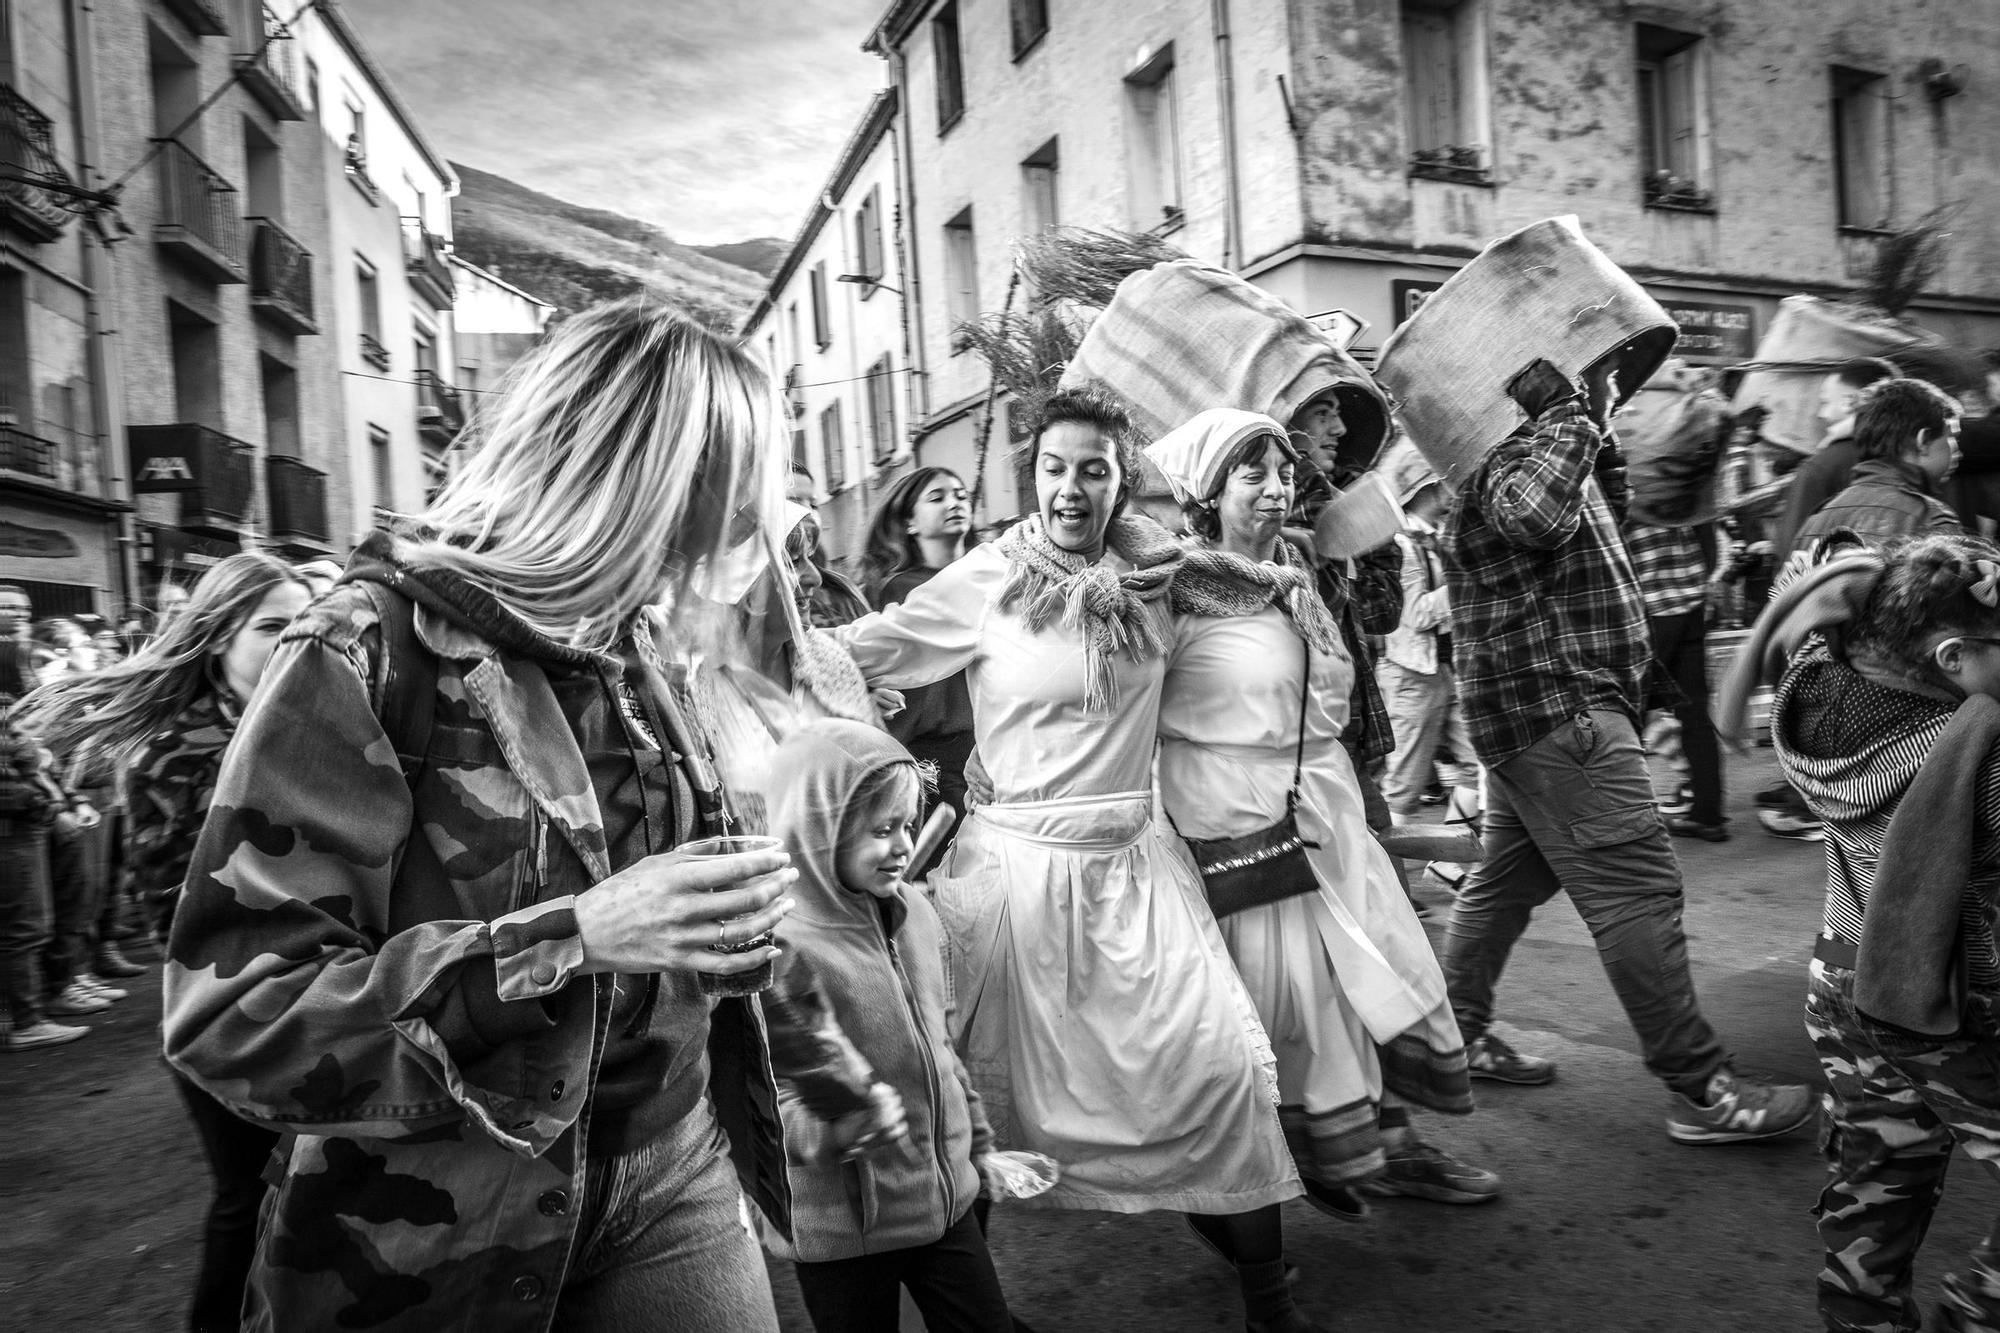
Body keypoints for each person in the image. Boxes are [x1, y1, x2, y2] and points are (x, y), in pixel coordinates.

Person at [157, 301, 889, 1332]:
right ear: (642, 478)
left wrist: (764, 995)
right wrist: (577, 936)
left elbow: (680, 924)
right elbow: (234, 1018)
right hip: (431, 1224)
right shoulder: (361, 651)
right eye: (743, 487)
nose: (766, 522)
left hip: (670, 1176)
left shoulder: (644, 646)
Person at [836, 388, 1314, 1333]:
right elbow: (862, 653)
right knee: (977, 1101)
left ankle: (1272, 1304)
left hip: (1137, 872)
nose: (1071, 487)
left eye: (1093, 468)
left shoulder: (1163, 576)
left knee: (1221, 1069)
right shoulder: (990, 578)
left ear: (1118, 481)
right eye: (1054, 467)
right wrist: (765, 634)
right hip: (1011, 876)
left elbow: (1249, 592)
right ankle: (978, 1317)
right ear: (1034, 479)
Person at [1436, 350, 1814, 1143]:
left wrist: (1593, 420)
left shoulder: (1542, 451)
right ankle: (1703, 1089)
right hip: (1558, 708)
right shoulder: (1501, 458)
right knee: (1637, 889)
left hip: (1550, 709)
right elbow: (1536, 518)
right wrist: (1565, 409)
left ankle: (1452, 1038)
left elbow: (1597, 510)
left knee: (1503, 884)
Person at [1148, 410, 1493, 1219]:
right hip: (1238, 825)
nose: (1277, 488)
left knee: (1369, 977)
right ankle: (1251, 1197)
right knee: (1283, 1011)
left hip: (1329, 809)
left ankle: (1376, 1150)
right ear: (1208, 493)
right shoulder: (1174, 586)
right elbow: (1131, 712)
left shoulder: (1303, 565)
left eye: (1284, 471)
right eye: (1252, 473)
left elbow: (1375, 614)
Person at [11, 552, 311, 1331]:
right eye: (272, 625)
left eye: (304, 625)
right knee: (251, 1199)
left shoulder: (288, 720)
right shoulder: (186, 748)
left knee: (294, 1197)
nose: (294, 642)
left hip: (301, 992)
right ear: (218, 637)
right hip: (228, 1004)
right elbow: (190, 908)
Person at [1744, 535, 2000, 1332]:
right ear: (1953, 657)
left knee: (1883, 1172)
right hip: (1950, 1001)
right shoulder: (1978, 763)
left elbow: (1814, 616)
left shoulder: (1812, 693)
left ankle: (1862, 1319)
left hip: (1845, 984)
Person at [765, 720, 1015, 1333]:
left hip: (947, 1199)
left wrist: (978, 1146)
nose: (903, 845)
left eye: (907, 826)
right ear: (819, 829)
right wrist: (842, 1125)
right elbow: (765, 1106)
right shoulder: (779, 951)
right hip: (844, 1234)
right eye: (882, 831)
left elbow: (941, 1045)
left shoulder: (916, 916)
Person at [860, 467, 977, 864]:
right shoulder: (900, 592)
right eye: (937, 497)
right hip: (930, 764)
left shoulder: (991, 581)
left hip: (987, 756)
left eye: (960, 494)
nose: (954, 502)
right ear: (909, 522)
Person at [1375, 440, 1479, 819]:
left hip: (1445, 671)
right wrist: (1463, 584)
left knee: (1477, 766)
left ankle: (1448, 860)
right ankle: (1385, 873)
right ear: (1427, 488)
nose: (1456, 492)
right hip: (1411, 677)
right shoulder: (1401, 546)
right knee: (1403, 789)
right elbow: (1415, 615)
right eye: (1447, 483)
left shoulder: (1436, 540)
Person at [1622, 515, 1728, 841]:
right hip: (1689, 599)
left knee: (1625, 717)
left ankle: (1623, 824)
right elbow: (1707, 529)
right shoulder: (1685, 470)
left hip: (1644, 607)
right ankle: (1708, 815)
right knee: (1695, 713)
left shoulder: (1629, 473)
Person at [1792, 377, 1965, 556]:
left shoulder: (1815, 521)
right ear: (1923, 440)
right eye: (1952, 437)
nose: (1957, 450)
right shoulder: (1932, 520)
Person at [1771, 357, 1902, 557]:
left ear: (1849, 402)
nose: (1821, 414)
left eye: (1825, 402)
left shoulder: (1823, 467)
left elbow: (1793, 553)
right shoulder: (1917, 457)